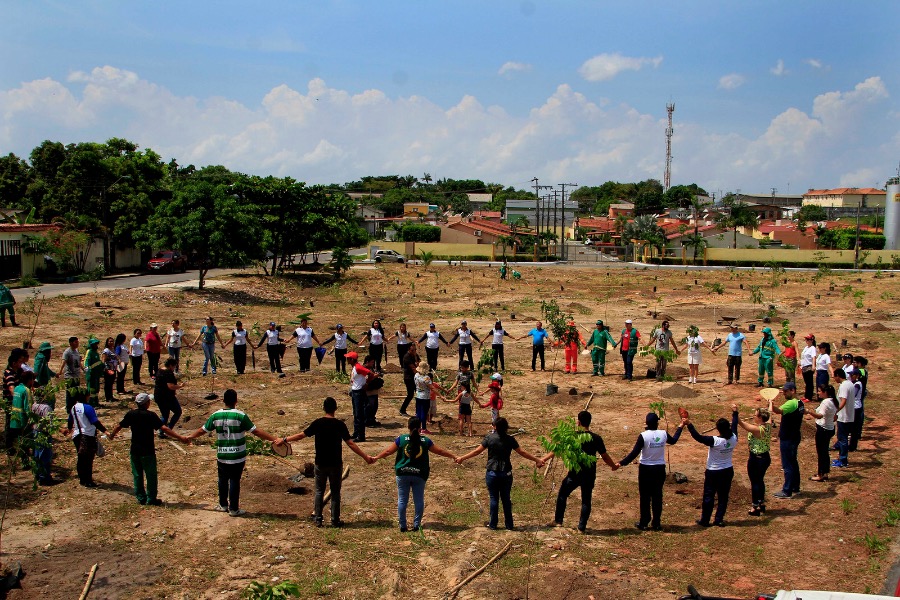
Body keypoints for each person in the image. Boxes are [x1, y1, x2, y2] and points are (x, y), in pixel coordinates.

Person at [277, 396, 373, 527]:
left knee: (319, 491)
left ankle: (318, 518)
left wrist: (284, 439)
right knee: (335, 492)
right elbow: (351, 444)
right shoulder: (340, 425)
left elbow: (301, 435)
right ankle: (335, 520)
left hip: (320, 463)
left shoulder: (318, 423)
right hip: (335, 464)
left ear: (323, 408)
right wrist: (365, 456)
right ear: (336, 409)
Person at [183, 389, 279, 516]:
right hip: (237, 456)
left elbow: (202, 430)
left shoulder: (215, 415)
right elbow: (255, 431)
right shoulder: (240, 416)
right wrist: (274, 439)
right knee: (234, 480)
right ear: (236, 401)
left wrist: (190, 437)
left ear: (223, 401)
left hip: (222, 455)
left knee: (222, 480)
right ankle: (234, 509)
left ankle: (223, 505)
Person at [456, 417, 544, 530]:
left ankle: (493, 524)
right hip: (506, 473)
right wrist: (537, 459)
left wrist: (462, 458)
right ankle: (509, 525)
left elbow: (477, 451)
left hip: (492, 472)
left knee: (494, 498)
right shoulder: (510, 439)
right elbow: (522, 452)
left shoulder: (489, 438)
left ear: (495, 427)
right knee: (506, 499)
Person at [372, 416, 457, 532]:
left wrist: (376, 457)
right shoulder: (425, 441)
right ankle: (416, 524)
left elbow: (388, 451)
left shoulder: (401, 439)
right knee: (418, 499)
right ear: (420, 428)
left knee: (402, 500)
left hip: (403, 473)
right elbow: (439, 451)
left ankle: (403, 525)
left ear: (408, 427)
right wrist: (453, 456)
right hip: (419, 474)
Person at [542, 410, 618, 532]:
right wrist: (613, 466)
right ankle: (581, 527)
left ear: (578, 422)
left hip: (574, 473)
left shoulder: (572, 436)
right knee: (586, 500)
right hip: (589, 474)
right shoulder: (596, 438)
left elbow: (557, 449)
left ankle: (558, 520)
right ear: (589, 422)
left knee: (563, 494)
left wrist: (543, 459)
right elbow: (604, 456)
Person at [108, 393, 188, 505]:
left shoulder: (131, 414)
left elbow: (119, 426)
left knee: (137, 475)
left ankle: (141, 497)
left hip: (135, 450)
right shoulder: (150, 415)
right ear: (146, 403)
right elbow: (164, 428)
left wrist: (111, 435)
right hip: (147, 450)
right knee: (151, 476)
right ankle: (151, 498)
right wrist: (180, 437)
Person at [616, 412, 683, 530]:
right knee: (657, 496)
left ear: (646, 423)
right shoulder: (663, 434)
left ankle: (644, 522)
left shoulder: (643, 436)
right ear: (657, 423)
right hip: (659, 469)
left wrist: (621, 463)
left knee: (645, 496)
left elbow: (634, 453)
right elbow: (674, 441)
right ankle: (656, 523)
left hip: (646, 469)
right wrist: (680, 427)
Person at [683, 407, 739, 527]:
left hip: (713, 472)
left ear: (718, 429)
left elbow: (698, 437)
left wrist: (689, 424)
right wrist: (735, 413)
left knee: (709, 496)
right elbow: (735, 426)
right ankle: (719, 519)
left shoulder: (715, 441)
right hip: (728, 470)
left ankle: (705, 520)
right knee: (723, 497)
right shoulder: (734, 438)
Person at [734, 404, 772, 515]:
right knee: (760, 481)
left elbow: (742, 425)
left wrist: (736, 413)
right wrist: (770, 402)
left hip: (756, 459)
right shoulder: (768, 425)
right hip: (765, 458)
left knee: (755, 482)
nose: (753, 417)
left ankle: (755, 506)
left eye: (755, 415)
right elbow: (770, 414)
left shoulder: (758, 430)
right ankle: (761, 503)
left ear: (760, 418)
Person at [770, 382, 804, 499]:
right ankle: (795, 486)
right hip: (795, 435)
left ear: (792, 391)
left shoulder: (791, 403)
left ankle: (787, 490)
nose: (783, 393)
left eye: (785, 391)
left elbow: (778, 411)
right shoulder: (800, 403)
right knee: (793, 462)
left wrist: (771, 404)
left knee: (787, 464)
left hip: (788, 437)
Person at [66, 392, 108, 487]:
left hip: (77, 436)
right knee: (88, 459)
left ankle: (82, 479)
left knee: (81, 458)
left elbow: (70, 421)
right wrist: (105, 431)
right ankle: (88, 481)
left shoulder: (74, 407)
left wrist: (69, 430)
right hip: (87, 435)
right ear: (85, 397)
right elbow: (95, 421)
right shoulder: (88, 407)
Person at [807, 383, 837, 482]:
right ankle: (824, 472)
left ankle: (821, 474)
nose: (818, 393)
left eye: (820, 391)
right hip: (829, 428)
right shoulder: (833, 401)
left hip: (823, 430)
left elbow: (820, 415)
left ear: (825, 392)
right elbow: (835, 416)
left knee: (821, 453)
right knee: (824, 452)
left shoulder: (826, 402)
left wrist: (809, 412)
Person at [8, 370, 35, 468]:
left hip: (14, 420)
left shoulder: (17, 389)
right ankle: (29, 463)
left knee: (20, 442)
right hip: (23, 420)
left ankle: (24, 462)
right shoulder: (26, 390)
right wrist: (32, 420)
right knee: (28, 442)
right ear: (29, 380)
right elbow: (28, 408)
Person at [347, 352, 374, 442]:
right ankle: (356, 433)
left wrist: (366, 383)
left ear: (352, 359)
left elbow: (371, 374)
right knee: (356, 413)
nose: (347, 360)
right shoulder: (355, 367)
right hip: (355, 392)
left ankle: (361, 436)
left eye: (348, 358)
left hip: (359, 393)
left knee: (359, 415)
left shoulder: (358, 367)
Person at [154, 358, 184, 435]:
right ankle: (168, 429)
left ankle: (162, 431)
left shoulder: (160, 370)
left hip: (158, 395)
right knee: (178, 412)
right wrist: (180, 386)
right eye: (174, 366)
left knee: (164, 415)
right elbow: (170, 386)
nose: (174, 368)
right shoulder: (168, 373)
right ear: (170, 365)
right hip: (167, 397)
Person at [832, 368, 854, 469]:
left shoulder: (844, 386)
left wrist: (836, 411)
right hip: (848, 416)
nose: (834, 379)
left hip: (844, 417)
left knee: (842, 439)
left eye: (834, 376)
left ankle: (843, 460)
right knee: (842, 438)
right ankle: (841, 458)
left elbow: (843, 401)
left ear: (838, 375)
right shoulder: (849, 383)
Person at [31, 401, 55, 485]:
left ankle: (38, 475)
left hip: (35, 432)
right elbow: (50, 424)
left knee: (37, 455)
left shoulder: (34, 405)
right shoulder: (47, 408)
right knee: (45, 456)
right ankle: (44, 478)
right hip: (43, 434)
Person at [60, 337, 84, 412]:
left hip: (76, 375)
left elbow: (79, 362)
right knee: (70, 392)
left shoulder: (76, 351)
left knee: (76, 392)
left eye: (78, 342)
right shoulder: (67, 352)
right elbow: (63, 361)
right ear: (71, 343)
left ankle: (74, 407)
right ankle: (69, 408)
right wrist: (60, 371)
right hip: (69, 376)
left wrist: (83, 369)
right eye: (75, 342)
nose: (77, 343)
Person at [849, 358, 867, 452]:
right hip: (854, 406)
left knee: (854, 427)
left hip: (856, 407)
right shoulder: (855, 383)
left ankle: (853, 445)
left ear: (856, 375)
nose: (850, 376)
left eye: (852, 375)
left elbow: (853, 394)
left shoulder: (857, 384)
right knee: (853, 426)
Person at [399, 343, 420, 416]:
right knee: (410, 395)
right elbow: (414, 369)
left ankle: (418, 410)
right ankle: (402, 410)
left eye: (415, 350)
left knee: (418, 394)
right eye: (412, 350)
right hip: (409, 378)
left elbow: (419, 364)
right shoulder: (406, 357)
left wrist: (416, 358)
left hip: (415, 377)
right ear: (409, 350)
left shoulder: (415, 356)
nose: (414, 351)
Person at [363, 355, 383, 427]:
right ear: (367, 362)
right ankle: (367, 421)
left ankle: (372, 419)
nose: (373, 364)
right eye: (372, 362)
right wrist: (375, 376)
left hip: (374, 390)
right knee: (369, 407)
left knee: (375, 406)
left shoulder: (371, 368)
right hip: (368, 391)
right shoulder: (364, 369)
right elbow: (367, 379)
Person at [413, 362, 434, 432]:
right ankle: (424, 428)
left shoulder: (416, 375)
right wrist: (441, 395)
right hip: (425, 397)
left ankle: (417, 427)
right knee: (424, 413)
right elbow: (432, 388)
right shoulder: (426, 378)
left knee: (418, 412)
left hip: (418, 395)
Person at [84, 337, 103, 406]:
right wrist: (88, 370)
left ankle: (96, 402)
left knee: (96, 389)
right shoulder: (89, 352)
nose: (96, 345)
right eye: (95, 344)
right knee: (91, 390)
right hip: (91, 374)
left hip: (96, 374)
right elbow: (86, 362)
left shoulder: (96, 353)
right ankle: (91, 403)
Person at [798, 334, 817, 401]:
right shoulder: (806, 348)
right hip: (804, 366)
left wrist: (813, 365)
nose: (806, 341)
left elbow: (813, 357)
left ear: (811, 340)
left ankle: (809, 397)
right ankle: (806, 395)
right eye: (806, 339)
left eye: (808, 339)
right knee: (806, 382)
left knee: (809, 382)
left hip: (809, 366)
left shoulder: (813, 348)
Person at [101, 337, 118, 404]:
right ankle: (108, 397)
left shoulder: (113, 350)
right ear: (107, 342)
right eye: (110, 341)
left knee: (111, 383)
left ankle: (111, 396)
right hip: (108, 369)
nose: (111, 343)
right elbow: (103, 360)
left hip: (113, 369)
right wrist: (106, 369)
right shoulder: (106, 351)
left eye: (112, 341)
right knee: (108, 384)